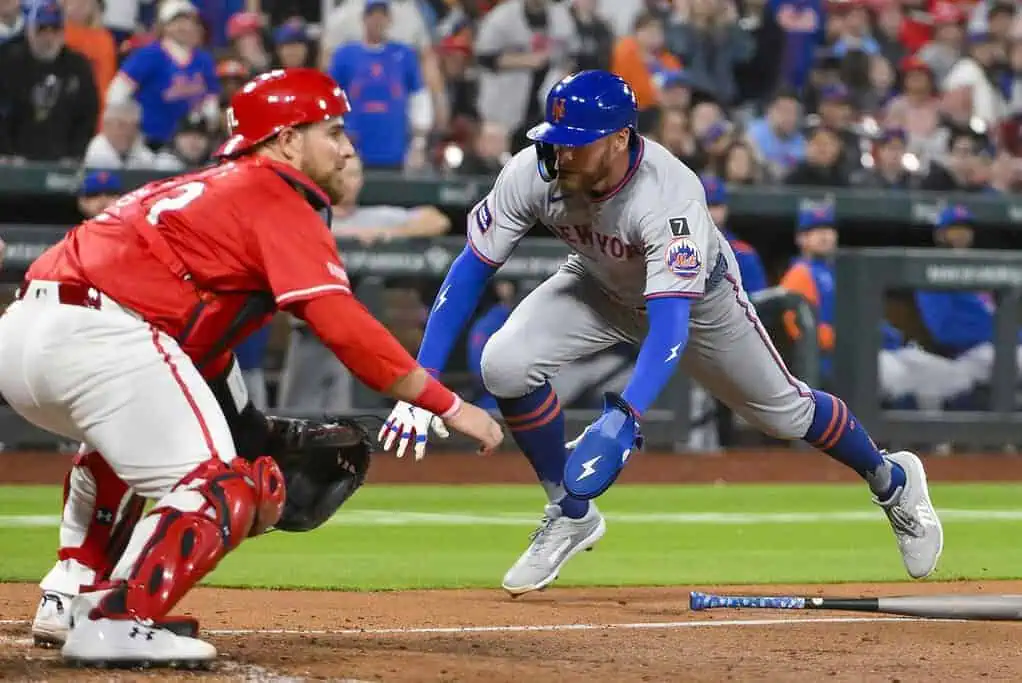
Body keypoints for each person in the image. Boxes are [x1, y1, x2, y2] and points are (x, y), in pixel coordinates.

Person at [1, 67, 502, 667]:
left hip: (27, 331)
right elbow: (340, 323)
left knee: (120, 451)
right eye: (333, 131)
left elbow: (200, 351)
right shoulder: (276, 193)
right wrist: (450, 405)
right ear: (287, 140)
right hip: (108, 339)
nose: (347, 147)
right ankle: (119, 619)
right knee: (225, 486)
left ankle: (72, 591)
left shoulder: (206, 188)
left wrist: (251, 425)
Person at [377, 70, 943, 596]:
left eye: (578, 138)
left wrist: (625, 418)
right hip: (595, 283)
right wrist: (424, 378)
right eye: (555, 135)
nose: (560, 149)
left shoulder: (667, 195)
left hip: (699, 304)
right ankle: (570, 513)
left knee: (784, 415)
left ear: (620, 138)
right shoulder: (534, 170)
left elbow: (669, 324)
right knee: (503, 363)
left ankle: (891, 479)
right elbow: (471, 266)